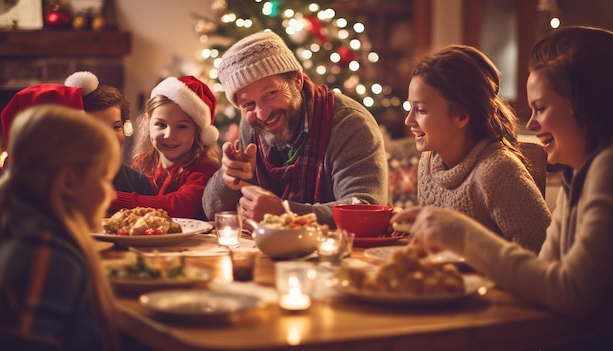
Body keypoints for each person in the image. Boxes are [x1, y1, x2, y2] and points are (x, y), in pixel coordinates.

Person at [392, 26, 613, 324]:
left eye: (542, 108)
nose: (531, 124)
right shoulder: (580, 174)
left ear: (584, 106)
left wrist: (464, 236)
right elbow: (546, 274)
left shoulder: (606, 168)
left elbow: (571, 291)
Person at [202, 30, 389, 226]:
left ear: (297, 81)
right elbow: (211, 211)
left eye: (271, 93)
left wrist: (286, 213)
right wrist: (228, 179)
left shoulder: (349, 123)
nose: (263, 114)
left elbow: (366, 209)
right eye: (248, 104)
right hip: (270, 251)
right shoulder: (251, 127)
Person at [0, 104, 121, 350]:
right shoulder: (49, 254)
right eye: (104, 178)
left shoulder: (22, 231)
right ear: (68, 182)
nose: (112, 195)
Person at [403, 44, 551, 252]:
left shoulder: (497, 171)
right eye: (410, 107)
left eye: (421, 110)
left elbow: (542, 252)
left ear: (462, 116)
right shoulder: (427, 162)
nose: (409, 120)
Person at [109, 75, 220, 219]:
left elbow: (179, 207)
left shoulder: (204, 168)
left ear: (198, 131)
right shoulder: (142, 163)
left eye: (181, 126)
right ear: (148, 122)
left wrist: (112, 198)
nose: (169, 135)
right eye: (161, 125)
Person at [64, 71, 155, 197]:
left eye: (116, 127)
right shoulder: (63, 181)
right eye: (98, 128)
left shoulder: (138, 183)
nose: (110, 136)